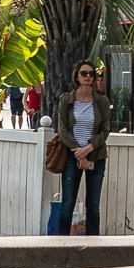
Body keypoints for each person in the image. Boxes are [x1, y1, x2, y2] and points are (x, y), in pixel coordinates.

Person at [41, 60, 110, 236]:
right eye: (84, 73)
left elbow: (105, 130)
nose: (87, 77)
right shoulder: (67, 100)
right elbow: (63, 130)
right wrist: (79, 153)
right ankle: (63, 244)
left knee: (93, 205)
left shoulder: (101, 101)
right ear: (77, 77)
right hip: (72, 155)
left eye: (91, 74)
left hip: (96, 155)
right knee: (67, 204)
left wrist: (88, 149)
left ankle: (93, 244)